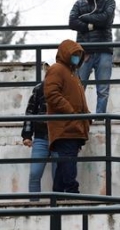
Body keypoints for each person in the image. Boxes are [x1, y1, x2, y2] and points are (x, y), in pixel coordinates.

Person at [43, 39, 90, 194]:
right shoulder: (57, 69)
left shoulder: (73, 74)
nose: (77, 57)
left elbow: (80, 100)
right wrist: (70, 112)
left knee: (65, 163)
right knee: (69, 160)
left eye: (79, 55)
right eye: (74, 54)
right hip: (65, 126)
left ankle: (57, 194)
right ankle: (72, 192)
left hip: (75, 126)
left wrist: (87, 116)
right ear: (65, 54)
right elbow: (51, 94)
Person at [69, 0, 116, 122]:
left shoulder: (109, 2)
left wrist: (84, 19)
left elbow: (106, 20)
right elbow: (72, 22)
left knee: (103, 89)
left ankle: (100, 118)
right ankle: (78, 117)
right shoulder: (78, 3)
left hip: (104, 52)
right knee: (77, 86)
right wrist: (92, 25)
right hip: (83, 53)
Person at [21, 58, 57, 201]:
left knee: (58, 176)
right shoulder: (38, 89)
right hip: (41, 137)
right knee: (35, 174)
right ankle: (34, 208)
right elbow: (30, 113)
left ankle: (59, 208)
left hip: (59, 138)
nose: (48, 71)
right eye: (47, 68)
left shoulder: (65, 89)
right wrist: (27, 135)